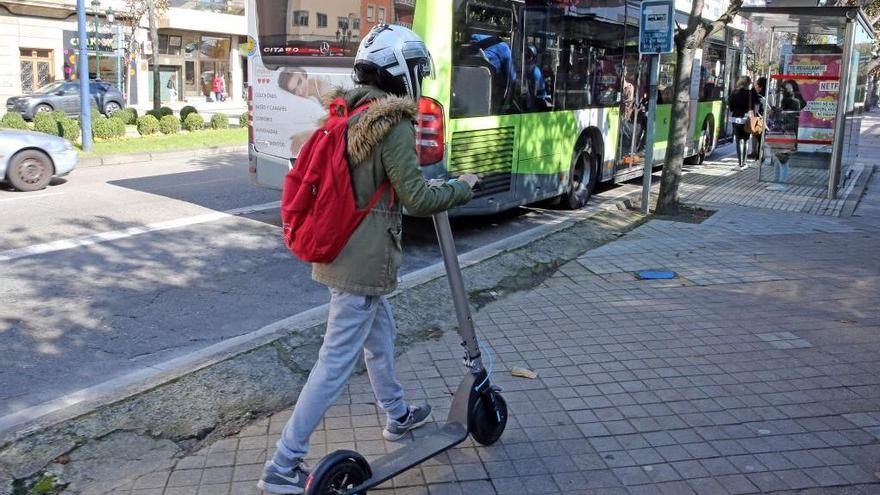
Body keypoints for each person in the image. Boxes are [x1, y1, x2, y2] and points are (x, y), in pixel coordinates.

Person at [258, 24, 478, 495]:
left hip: (346, 252)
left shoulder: (351, 112)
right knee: (334, 363)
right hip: (362, 262)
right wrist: (462, 187)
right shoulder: (393, 121)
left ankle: (398, 415)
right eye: (417, 70)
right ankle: (283, 464)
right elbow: (416, 198)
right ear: (401, 71)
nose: (420, 78)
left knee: (382, 338)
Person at [728, 75, 752, 169]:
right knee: (746, 140)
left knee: (738, 141)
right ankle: (744, 163)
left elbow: (731, 107)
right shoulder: (749, 93)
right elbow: (751, 107)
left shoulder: (734, 92)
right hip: (746, 119)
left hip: (736, 118)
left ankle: (739, 163)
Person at [524, 44, 548, 111]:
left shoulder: (535, 70)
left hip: (536, 102)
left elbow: (539, 88)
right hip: (531, 100)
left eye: (529, 55)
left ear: (533, 57)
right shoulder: (528, 68)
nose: (527, 57)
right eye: (527, 55)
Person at [749, 76, 767, 160]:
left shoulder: (760, 96)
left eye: (757, 84)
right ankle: (757, 154)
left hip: (758, 118)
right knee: (759, 137)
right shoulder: (762, 94)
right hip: (760, 118)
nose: (756, 86)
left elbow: (756, 108)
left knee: (758, 137)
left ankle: (758, 154)